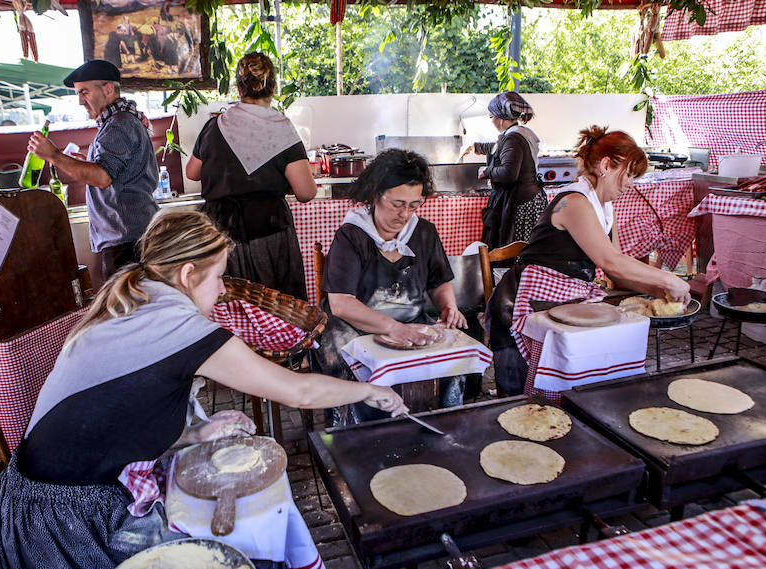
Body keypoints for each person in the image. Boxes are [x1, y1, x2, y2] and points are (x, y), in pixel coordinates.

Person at [0, 209, 406, 569]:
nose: (223, 289)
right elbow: (300, 393)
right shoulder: (177, 324)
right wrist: (371, 390)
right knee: (251, 566)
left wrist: (193, 433)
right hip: (64, 537)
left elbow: (117, 417)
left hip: (35, 510)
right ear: (187, 273)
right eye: (219, 276)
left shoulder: (135, 298)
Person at [485, 126, 691, 395]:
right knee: (521, 404)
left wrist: (659, 292)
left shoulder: (604, 208)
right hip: (523, 308)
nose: (630, 184)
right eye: (627, 174)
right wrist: (669, 278)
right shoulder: (574, 202)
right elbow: (610, 261)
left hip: (566, 303)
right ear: (606, 165)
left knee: (575, 391)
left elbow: (617, 271)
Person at [310, 149, 468, 426]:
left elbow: (438, 281)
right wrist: (392, 328)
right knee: (353, 366)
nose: (405, 214)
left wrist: (449, 306)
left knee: (452, 359)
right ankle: (360, 439)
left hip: (412, 321)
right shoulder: (352, 235)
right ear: (374, 195)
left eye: (413, 205)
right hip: (353, 326)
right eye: (397, 204)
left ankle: (441, 428)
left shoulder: (424, 232)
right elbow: (341, 303)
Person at [185, 52, 316, 301]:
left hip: (218, 235)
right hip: (267, 234)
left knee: (229, 308)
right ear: (274, 88)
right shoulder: (282, 129)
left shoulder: (214, 126)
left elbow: (192, 173)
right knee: (273, 309)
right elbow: (306, 192)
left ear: (238, 89)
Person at [25, 59, 159, 283]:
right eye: (78, 93)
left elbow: (102, 176)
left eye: (84, 92)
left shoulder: (119, 124)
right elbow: (112, 172)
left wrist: (54, 156)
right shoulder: (122, 120)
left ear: (107, 89)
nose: (80, 101)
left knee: (130, 313)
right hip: (130, 236)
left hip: (127, 240)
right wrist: (85, 161)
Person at [461, 91, 547, 248]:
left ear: (500, 119)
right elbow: (498, 148)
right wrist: (475, 147)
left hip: (521, 204)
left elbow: (508, 173)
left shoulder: (513, 138)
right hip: (527, 199)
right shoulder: (518, 133)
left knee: (515, 252)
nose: (492, 121)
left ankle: (513, 273)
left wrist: (486, 171)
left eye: (492, 117)